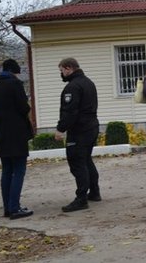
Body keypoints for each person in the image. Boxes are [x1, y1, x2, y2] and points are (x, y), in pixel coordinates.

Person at [0, 59, 34, 220]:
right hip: (17, 133)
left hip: (0, 134)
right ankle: (15, 208)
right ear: (14, 72)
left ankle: (7, 208)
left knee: (7, 171)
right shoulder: (15, 85)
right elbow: (24, 107)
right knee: (19, 170)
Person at [54, 58, 101, 213]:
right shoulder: (89, 82)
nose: (61, 74)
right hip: (92, 126)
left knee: (77, 162)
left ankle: (81, 199)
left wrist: (60, 129)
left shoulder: (72, 87)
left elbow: (70, 111)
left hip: (79, 130)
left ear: (69, 68)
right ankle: (94, 192)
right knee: (86, 159)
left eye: (61, 71)